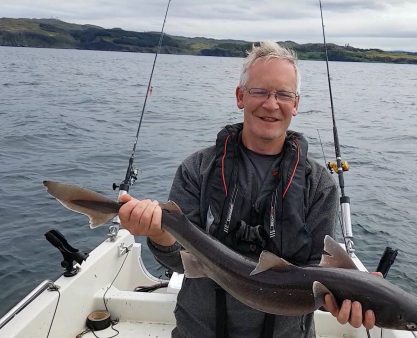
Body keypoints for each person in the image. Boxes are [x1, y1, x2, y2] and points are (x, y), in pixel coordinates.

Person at [119, 41, 377, 338]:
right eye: (259, 91)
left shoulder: (318, 186)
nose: (271, 104)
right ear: (240, 96)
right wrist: (160, 235)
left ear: (296, 103)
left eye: (283, 94)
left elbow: (317, 280)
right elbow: (178, 263)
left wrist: (358, 291)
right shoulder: (196, 170)